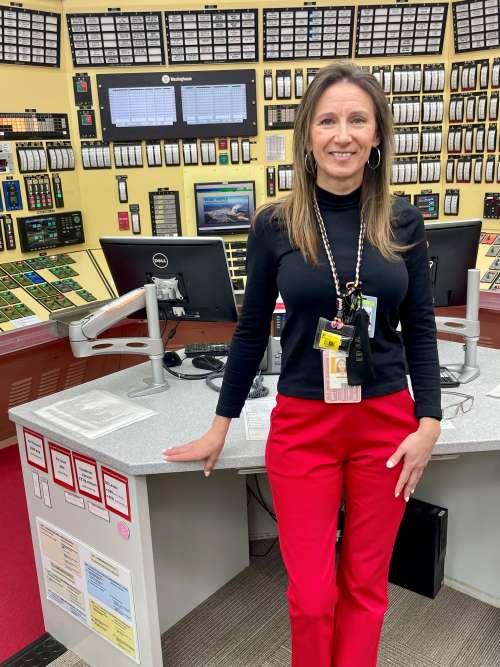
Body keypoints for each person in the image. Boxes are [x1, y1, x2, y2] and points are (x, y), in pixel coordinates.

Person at [163, 61, 442, 667]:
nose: (342, 134)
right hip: (303, 428)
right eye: (328, 120)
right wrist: (221, 423)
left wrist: (430, 423)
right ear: (309, 137)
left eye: (357, 120)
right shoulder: (273, 224)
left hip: (385, 424)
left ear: (377, 137)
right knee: (313, 596)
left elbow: (419, 327)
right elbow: (248, 328)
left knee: (366, 589)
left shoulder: (403, 221)